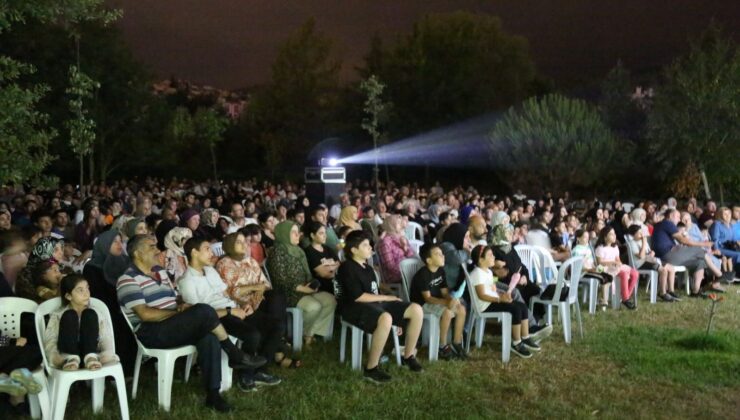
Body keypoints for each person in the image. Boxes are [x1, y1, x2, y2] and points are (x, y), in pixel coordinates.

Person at [117, 234, 266, 413]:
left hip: (173, 325)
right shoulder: (127, 279)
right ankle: (233, 352)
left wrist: (182, 305)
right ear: (137, 254)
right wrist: (180, 312)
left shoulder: (160, 272)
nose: (157, 250)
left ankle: (213, 395)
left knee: (209, 336)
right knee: (203, 309)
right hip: (151, 332)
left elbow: (173, 300)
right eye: (151, 247)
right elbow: (145, 314)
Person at [178, 237, 281, 392]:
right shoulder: (187, 281)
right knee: (253, 335)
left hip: (233, 309)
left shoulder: (210, 271)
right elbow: (199, 315)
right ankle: (245, 375)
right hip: (218, 318)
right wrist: (231, 311)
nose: (211, 252)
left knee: (276, 326)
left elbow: (226, 293)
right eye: (207, 248)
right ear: (194, 252)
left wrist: (242, 304)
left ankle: (259, 370)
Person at [336, 230, 424, 383]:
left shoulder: (368, 269)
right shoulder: (347, 268)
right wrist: (387, 297)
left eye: (369, 244)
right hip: (353, 307)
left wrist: (390, 302)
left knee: (416, 309)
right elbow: (358, 296)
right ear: (353, 250)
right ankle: (371, 368)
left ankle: (408, 356)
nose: (370, 247)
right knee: (385, 317)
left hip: (374, 305)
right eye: (365, 245)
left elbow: (374, 292)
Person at [216, 232, 298, 371]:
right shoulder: (224, 264)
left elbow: (265, 284)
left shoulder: (251, 261)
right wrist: (255, 287)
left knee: (276, 295)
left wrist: (257, 291)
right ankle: (276, 351)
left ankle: (268, 355)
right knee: (274, 305)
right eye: (238, 242)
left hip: (257, 302)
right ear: (229, 245)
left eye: (244, 241)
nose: (244, 244)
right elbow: (232, 292)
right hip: (241, 306)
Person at [266, 221, 336, 348]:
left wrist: (312, 284)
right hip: (289, 293)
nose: (297, 235)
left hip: (305, 288)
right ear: (284, 234)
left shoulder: (298, 250)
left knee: (330, 300)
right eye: (293, 232)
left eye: (298, 232)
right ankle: (304, 333)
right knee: (314, 306)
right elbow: (281, 280)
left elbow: (307, 274)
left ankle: (309, 333)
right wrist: (303, 289)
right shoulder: (277, 252)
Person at [468, 245, 539, 358]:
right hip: (485, 305)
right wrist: (500, 299)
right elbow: (481, 295)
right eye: (490, 255)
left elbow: (491, 289)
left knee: (521, 306)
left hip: (492, 301)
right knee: (515, 309)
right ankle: (516, 343)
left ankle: (525, 337)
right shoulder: (477, 273)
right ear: (481, 260)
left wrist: (503, 295)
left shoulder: (488, 272)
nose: (494, 257)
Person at [83, 229, 138, 375]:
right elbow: (97, 296)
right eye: (115, 241)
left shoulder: (126, 262)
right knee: (119, 324)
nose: (120, 244)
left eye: (121, 241)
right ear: (104, 244)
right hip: (106, 310)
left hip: (127, 306)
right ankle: (118, 372)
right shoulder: (92, 268)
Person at [42, 274, 117, 371]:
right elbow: (51, 340)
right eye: (80, 290)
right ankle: (71, 357)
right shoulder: (58, 314)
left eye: (87, 288)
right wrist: (55, 358)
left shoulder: (96, 313)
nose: (86, 294)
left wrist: (107, 354)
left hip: (93, 355)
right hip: (66, 358)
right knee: (69, 315)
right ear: (68, 296)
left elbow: (105, 337)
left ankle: (89, 357)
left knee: (89, 314)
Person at [409, 244, 467, 360]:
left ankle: (456, 342)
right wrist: (446, 303)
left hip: (436, 301)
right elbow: (428, 298)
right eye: (438, 254)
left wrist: (452, 300)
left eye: (442, 253)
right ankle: (442, 346)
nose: (442, 256)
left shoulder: (440, 271)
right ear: (429, 260)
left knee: (461, 309)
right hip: (421, 305)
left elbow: (445, 293)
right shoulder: (422, 275)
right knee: (447, 312)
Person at [625, 225, 679, 302]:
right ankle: (662, 293)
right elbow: (641, 256)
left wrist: (652, 253)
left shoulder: (643, 241)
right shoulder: (632, 243)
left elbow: (649, 252)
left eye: (641, 232)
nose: (642, 235)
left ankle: (671, 291)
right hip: (640, 264)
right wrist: (644, 243)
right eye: (639, 233)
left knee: (671, 268)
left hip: (650, 260)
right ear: (633, 235)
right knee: (663, 270)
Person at [594, 226, 638, 310]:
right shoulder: (600, 248)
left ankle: (626, 296)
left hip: (616, 267)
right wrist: (613, 263)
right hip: (607, 269)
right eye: (611, 234)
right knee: (624, 274)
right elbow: (600, 262)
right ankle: (625, 299)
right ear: (605, 237)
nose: (614, 236)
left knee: (635, 273)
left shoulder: (615, 247)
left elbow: (617, 259)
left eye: (614, 234)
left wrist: (618, 263)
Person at [571, 229, 614, 310]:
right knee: (603, 278)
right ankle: (603, 300)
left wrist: (596, 268)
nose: (587, 239)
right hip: (583, 272)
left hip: (591, 269)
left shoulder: (588, 249)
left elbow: (592, 262)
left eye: (588, 237)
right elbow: (579, 266)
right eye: (584, 237)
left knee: (609, 276)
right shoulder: (576, 250)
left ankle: (601, 299)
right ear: (578, 239)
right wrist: (590, 269)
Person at [302, 221, 340, 294]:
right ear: (312, 235)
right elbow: (325, 274)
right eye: (321, 233)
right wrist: (334, 267)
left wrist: (329, 268)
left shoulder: (327, 248)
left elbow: (339, 265)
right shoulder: (309, 252)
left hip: (337, 282)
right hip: (324, 286)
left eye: (325, 233)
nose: (325, 236)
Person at [377, 214, 415, 284]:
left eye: (400, 222)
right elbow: (390, 266)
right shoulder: (385, 242)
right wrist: (407, 271)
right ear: (391, 225)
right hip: (394, 275)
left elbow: (411, 256)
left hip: (407, 269)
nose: (401, 224)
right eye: (398, 223)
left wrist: (405, 248)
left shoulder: (401, 237)